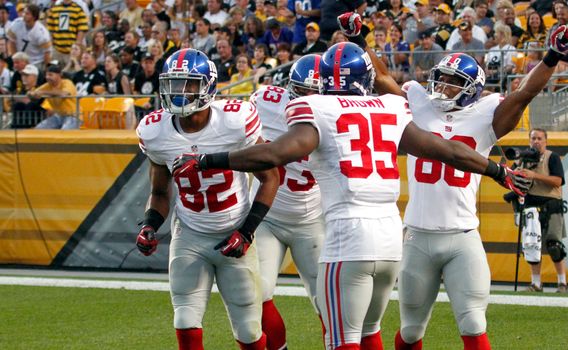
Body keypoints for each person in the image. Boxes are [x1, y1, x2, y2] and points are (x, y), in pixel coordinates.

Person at [172, 42, 530, 350]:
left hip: (347, 237)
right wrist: (499, 171)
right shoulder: (390, 108)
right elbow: (447, 151)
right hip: (390, 240)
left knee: (344, 339)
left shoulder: (319, 108)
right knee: (372, 331)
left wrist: (206, 159)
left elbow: (273, 155)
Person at [334, 12, 568, 350]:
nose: (441, 86)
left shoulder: (486, 115)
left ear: (471, 89)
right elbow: (382, 77)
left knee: (475, 323)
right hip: (418, 236)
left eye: (451, 81)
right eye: (441, 77)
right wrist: (360, 38)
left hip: (463, 236)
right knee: (410, 332)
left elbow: (523, 93)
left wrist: (551, 56)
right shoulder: (417, 102)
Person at [135, 48, 279, 350]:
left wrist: (246, 231)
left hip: (235, 229)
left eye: (188, 84)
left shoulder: (234, 121)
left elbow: (271, 176)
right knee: (185, 319)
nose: (178, 92)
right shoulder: (155, 130)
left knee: (249, 331)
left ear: (208, 87)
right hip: (189, 234)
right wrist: (150, 225)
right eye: (173, 84)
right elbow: (160, 192)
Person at [247, 53, 325, 350]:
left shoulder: (336, 115)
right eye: (301, 90)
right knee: (257, 295)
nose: (306, 98)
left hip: (312, 220)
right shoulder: (264, 100)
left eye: (314, 92)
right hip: (269, 216)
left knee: (329, 304)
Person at [517, 128, 568, 293]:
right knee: (532, 245)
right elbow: (512, 177)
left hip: (551, 204)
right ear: (529, 141)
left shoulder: (552, 157)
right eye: (533, 138)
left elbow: (558, 181)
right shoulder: (523, 159)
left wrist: (534, 175)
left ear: (545, 141)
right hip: (531, 205)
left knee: (554, 244)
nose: (536, 141)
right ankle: (536, 283)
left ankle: (562, 283)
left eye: (539, 138)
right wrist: (515, 175)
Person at [28, 64, 79, 129]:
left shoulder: (67, 82)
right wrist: (31, 94)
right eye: (46, 75)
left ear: (59, 75)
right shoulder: (47, 85)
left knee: (64, 134)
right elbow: (34, 92)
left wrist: (43, 92)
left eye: (50, 75)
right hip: (58, 116)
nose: (47, 77)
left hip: (73, 116)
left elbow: (64, 94)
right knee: (38, 129)